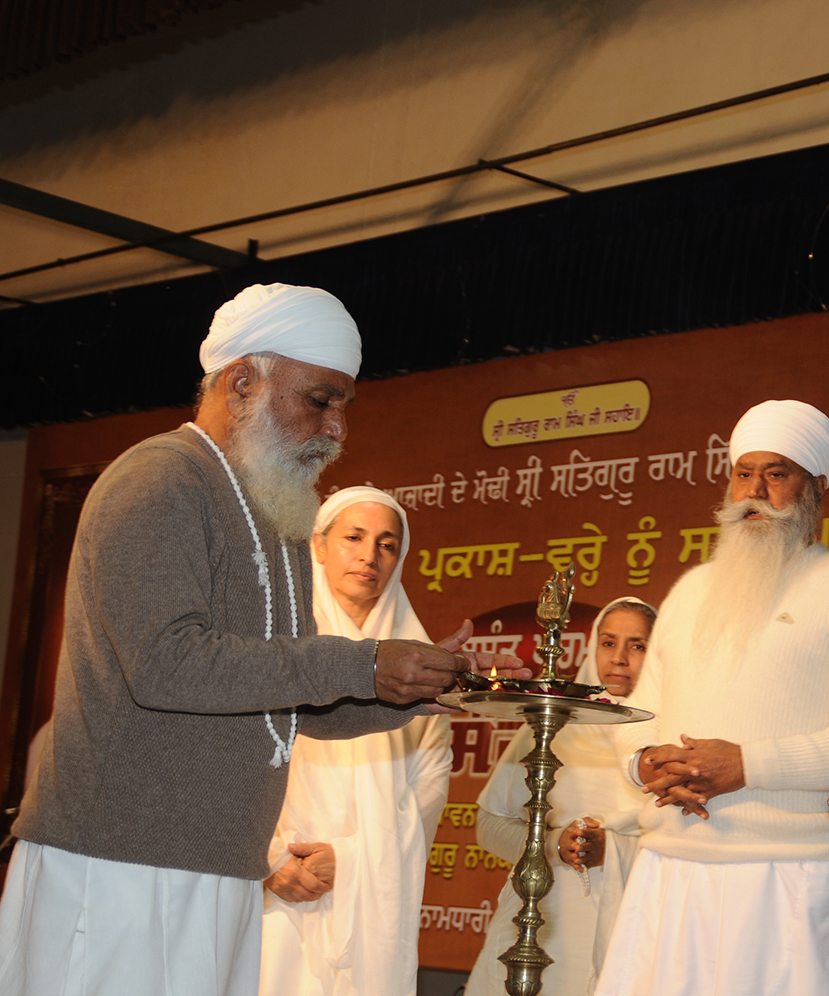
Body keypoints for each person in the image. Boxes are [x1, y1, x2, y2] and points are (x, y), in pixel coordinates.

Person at [0, 283, 527, 996]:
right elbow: (166, 664)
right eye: (321, 400)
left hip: (222, 867)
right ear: (243, 382)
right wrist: (363, 664)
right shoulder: (159, 479)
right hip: (120, 864)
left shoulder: (277, 510)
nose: (338, 429)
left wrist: (408, 693)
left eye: (344, 405)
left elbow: (284, 703)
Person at [595, 399, 829, 996]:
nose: (754, 492)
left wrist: (747, 765)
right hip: (670, 864)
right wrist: (644, 762)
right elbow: (638, 713)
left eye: (776, 474)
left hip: (788, 872)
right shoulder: (690, 589)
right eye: (743, 473)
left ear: (815, 489)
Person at [259, 487, 454, 996]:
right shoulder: (273, 647)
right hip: (270, 889)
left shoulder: (420, 669)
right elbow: (233, 763)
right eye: (354, 537)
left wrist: (348, 857)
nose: (370, 555)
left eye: (387, 545)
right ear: (318, 546)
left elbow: (427, 795)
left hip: (371, 896)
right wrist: (270, 859)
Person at [468, 597, 657, 996]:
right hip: (542, 918)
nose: (619, 658)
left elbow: (690, 846)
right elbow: (488, 825)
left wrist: (615, 849)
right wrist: (553, 845)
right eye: (608, 643)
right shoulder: (553, 724)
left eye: (638, 645)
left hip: (636, 924)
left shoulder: (669, 742)